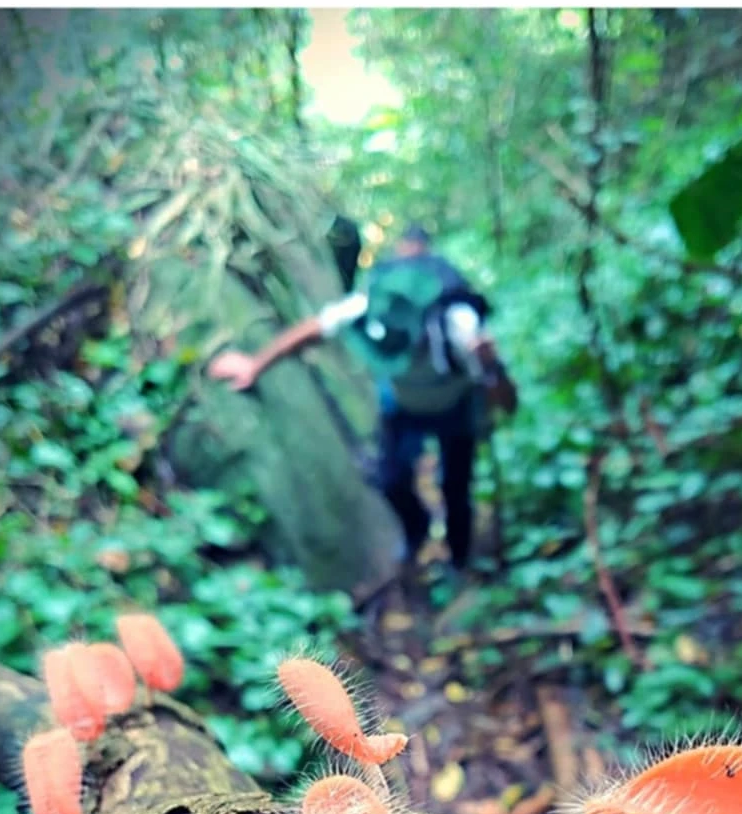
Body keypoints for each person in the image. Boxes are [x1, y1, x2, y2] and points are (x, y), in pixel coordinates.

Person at [209, 224, 518, 571]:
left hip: (454, 408)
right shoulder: (373, 302)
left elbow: (508, 403)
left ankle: (458, 562)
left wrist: (492, 368)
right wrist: (255, 365)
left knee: (456, 489)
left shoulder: (459, 325)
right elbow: (314, 328)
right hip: (404, 404)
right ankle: (416, 537)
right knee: (391, 479)